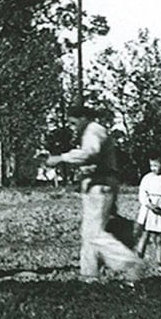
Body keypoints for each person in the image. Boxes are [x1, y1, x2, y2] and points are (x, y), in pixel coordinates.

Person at [47, 106, 143, 283]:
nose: (73, 127)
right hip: (98, 184)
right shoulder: (92, 131)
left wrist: (61, 158)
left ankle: (129, 262)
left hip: (100, 185)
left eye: (73, 122)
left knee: (94, 233)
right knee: (90, 232)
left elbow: (89, 153)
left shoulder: (93, 130)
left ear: (83, 117)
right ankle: (89, 275)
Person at [136, 153, 161, 265]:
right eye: (151, 165)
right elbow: (142, 193)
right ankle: (139, 256)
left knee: (159, 238)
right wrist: (148, 204)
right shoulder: (147, 178)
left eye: (156, 165)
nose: (153, 168)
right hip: (149, 209)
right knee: (145, 234)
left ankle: (160, 261)